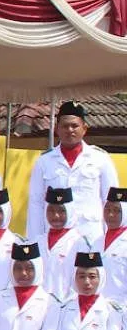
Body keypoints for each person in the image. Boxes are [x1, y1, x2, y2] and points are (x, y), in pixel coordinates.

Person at [27, 101, 119, 240]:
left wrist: (111, 240)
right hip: (55, 237)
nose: (70, 130)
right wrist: (35, 242)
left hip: (91, 236)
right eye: (65, 126)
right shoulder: (44, 162)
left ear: (84, 128)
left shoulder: (100, 159)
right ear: (57, 129)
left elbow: (111, 201)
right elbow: (36, 204)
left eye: (75, 125)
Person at [41, 187, 83, 300]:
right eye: (51, 211)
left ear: (69, 211)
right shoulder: (37, 242)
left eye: (61, 211)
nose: (56, 216)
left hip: (66, 306)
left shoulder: (79, 243)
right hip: (38, 308)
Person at [94, 187, 127, 302]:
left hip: (122, 310)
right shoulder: (96, 243)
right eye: (107, 209)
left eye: (117, 210)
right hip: (98, 311)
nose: (111, 214)